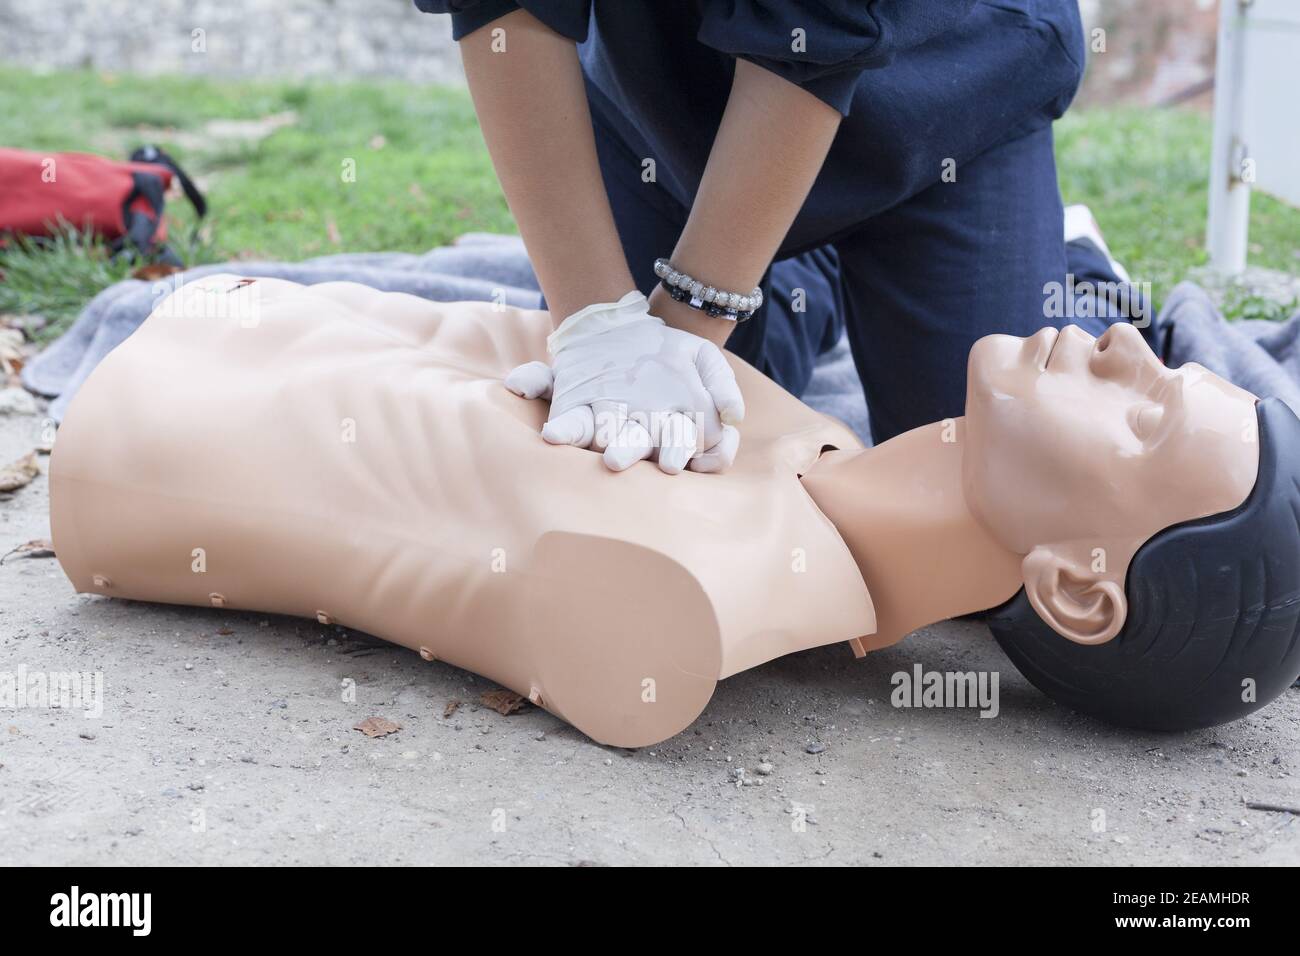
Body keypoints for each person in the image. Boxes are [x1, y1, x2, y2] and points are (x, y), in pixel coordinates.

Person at [49, 277, 1300, 745]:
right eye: (1158, 360)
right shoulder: (811, 444)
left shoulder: (696, 603)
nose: (1124, 350)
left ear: (1078, 586)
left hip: (132, 440)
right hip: (245, 332)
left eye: (1149, 416)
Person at [413, 0, 1133, 472]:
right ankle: (795, 271)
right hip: (666, 108)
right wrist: (596, 326)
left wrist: (687, 334)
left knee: (978, 486)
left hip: (943, 105)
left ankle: (1083, 271)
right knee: (676, 455)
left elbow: (811, 23)